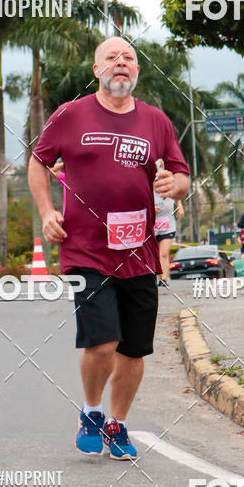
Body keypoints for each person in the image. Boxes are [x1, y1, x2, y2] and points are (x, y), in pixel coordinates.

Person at [28, 37, 190, 460]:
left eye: (129, 59)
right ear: (97, 69)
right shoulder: (70, 115)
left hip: (140, 251)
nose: (121, 63)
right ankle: (91, 411)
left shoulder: (156, 121)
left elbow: (180, 172)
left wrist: (177, 184)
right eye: (112, 58)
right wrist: (47, 212)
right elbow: (38, 162)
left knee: (133, 349)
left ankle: (117, 423)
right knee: (101, 342)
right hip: (85, 249)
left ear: (137, 71)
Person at [154, 191, 184, 286]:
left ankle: (163, 279)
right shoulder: (148, 189)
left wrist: (180, 207)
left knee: (164, 253)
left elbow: (177, 196)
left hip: (168, 227)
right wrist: (151, 208)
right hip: (152, 228)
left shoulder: (169, 189)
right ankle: (156, 276)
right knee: (155, 255)